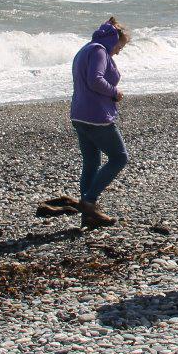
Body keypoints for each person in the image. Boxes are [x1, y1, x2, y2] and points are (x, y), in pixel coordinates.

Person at [70, 18, 130, 229]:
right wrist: (115, 92)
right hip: (96, 116)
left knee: (92, 162)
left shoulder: (85, 49)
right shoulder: (99, 52)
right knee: (119, 157)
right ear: (113, 39)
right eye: (120, 46)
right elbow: (95, 80)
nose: (119, 51)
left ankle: (88, 215)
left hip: (79, 114)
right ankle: (89, 201)